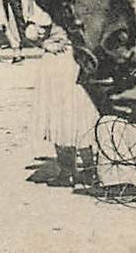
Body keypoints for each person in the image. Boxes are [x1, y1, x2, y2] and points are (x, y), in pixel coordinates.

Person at [32, 29, 100, 188]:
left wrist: (43, 43)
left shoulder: (47, 6)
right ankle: (90, 170)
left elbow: (32, 32)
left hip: (58, 60)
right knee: (80, 114)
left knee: (60, 114)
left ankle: (67, 172)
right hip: (81, 60)